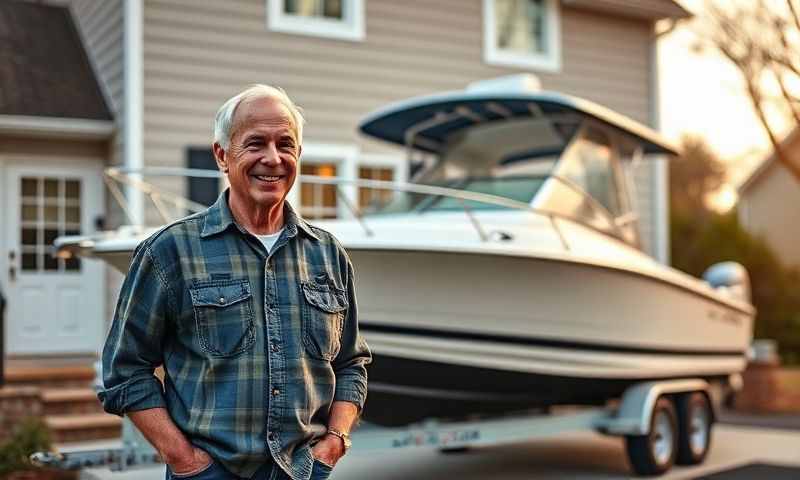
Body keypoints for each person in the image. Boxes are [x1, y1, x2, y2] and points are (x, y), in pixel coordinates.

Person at [97, 84, 371, 480]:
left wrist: (334, 442)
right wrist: (184, 459)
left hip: (305, 472)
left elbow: (351, 362)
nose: (273, 159)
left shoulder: (327, 254)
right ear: (222, 155)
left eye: (285, 144)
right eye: (255, 143)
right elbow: (125, 371)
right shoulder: (169, 252)